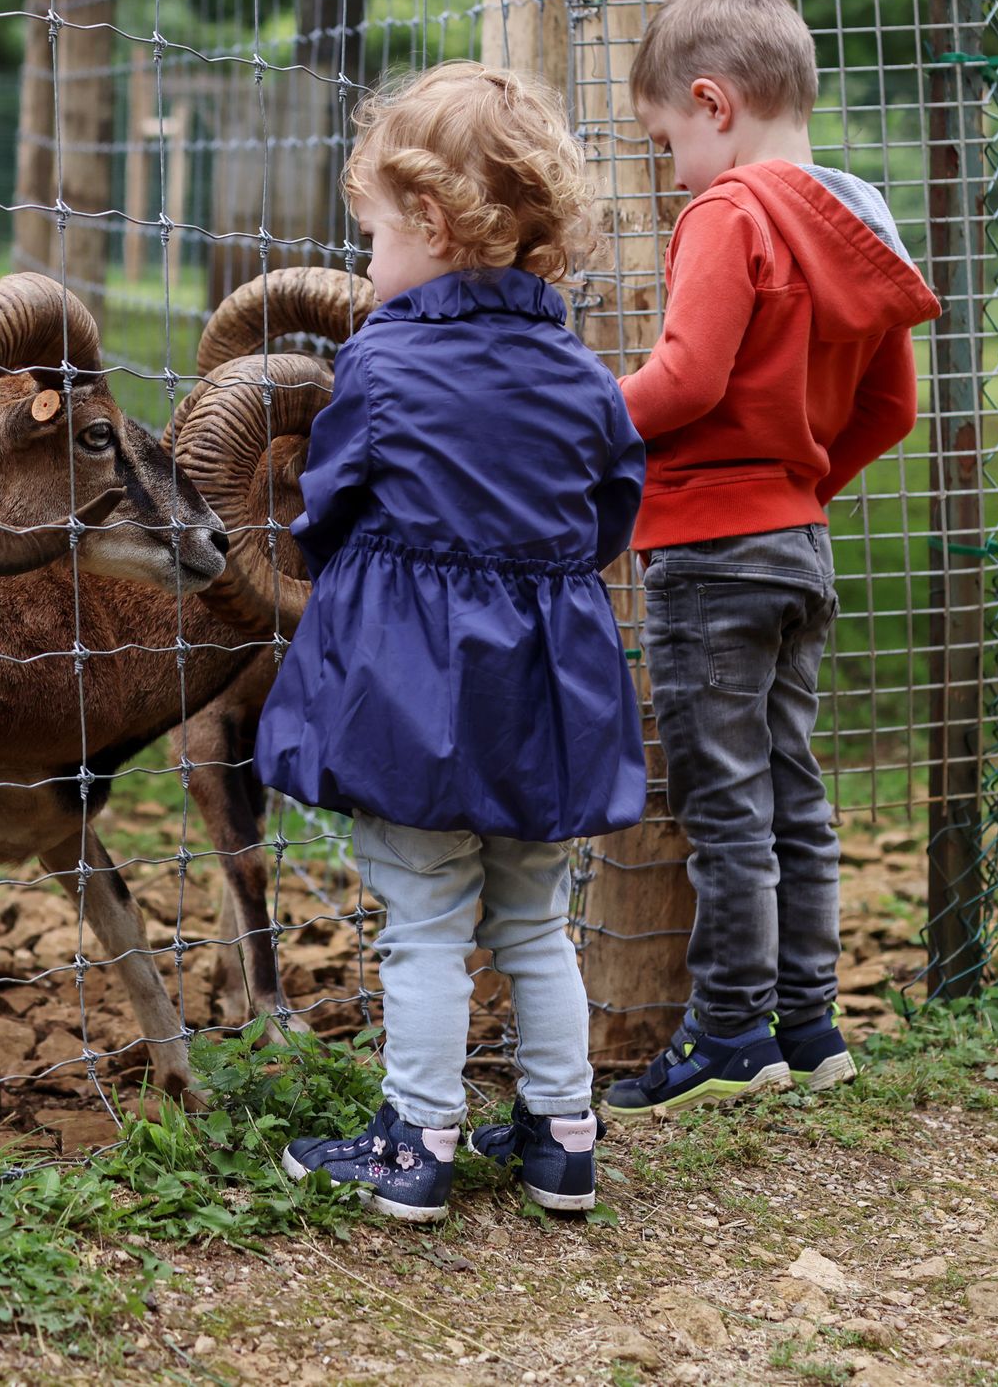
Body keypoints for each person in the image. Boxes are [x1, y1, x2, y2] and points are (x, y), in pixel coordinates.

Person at [258, 60, 646, 1221]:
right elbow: (609, 515)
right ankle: (560, 1134)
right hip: (544, 695)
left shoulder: (380, 360)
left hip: (415, 690)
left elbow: (328, 505)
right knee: (533, 918)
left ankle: (414, 1142)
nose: (368, 263)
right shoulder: (583, 380)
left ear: (428, 222)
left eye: (372, 235)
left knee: (423, 922)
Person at [600, 0, 941, 1119]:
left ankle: (730, 1037)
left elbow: (685, 379)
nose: (669, 172)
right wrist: (801, 488)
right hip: (797, 547)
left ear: (713, 103)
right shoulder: (856, 228)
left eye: (664, 142)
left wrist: (579, 413)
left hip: (709, 550)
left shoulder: (728, 215)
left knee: (724, 803)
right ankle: (809, 1024)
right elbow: (890, 408)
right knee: (793, 790)